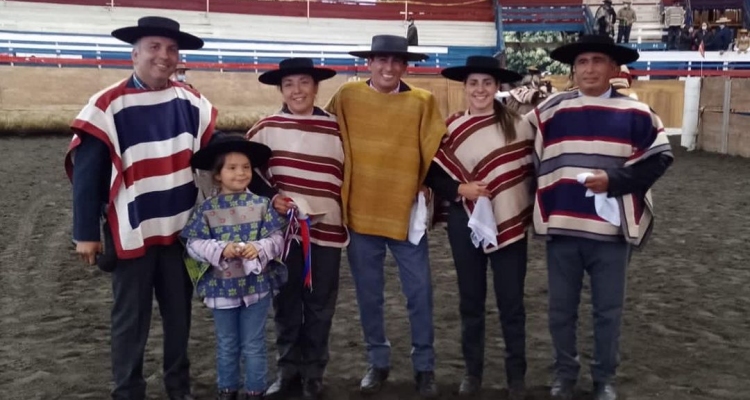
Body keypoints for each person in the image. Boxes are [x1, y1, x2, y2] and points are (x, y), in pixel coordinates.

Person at [63, 16, 216, 400]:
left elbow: (215, 157)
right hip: (132, 230)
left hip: (181, 231)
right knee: (130, 320)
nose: (163, 56)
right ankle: (128, 391)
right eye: (154, 47)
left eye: (171, 49)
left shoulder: (191, 101)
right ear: (134, 53)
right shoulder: (107, 105)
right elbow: (88, 174)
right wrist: (85, 234)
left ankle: (178, 387)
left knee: (179, 317)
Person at [526, 35, 673, 400]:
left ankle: (604, 378)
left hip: (610, 231)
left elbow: (661, 158)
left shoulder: (636, 112)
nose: (589, 68)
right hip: (563, 226)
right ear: (573, 69)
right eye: (582, 62)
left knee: (608, 311)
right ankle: (564, 374)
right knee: (561, 310)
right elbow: (519, 149)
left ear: (613, 68)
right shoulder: (550, 110)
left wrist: (615, 180)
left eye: (597, 61)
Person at [324, 34, 446, 398]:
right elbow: (328, 135)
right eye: (381, 60)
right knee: (368, 295)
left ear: (406, 65)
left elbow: (436, 149)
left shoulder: (422, 102)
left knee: (420, 292)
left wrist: (426, 182)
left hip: (405, 213)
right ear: (369, 63)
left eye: (396, 61)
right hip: (361, 214)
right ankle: (378, 361)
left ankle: (424, 366)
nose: (389, 67)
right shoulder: (347, 97)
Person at [428, 55, 533, 400]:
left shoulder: (517, 125)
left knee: (511, 302)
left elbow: (529, 170)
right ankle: (472, 373)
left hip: (509, 218)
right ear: (465, 87)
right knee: (470, 301)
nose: (480, 89)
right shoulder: (451, 127)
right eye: (474, 83)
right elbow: (432, 170)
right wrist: (460, 189)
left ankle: (515, 376)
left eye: (487, 83)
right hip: (465, 221)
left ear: (497, 87)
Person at [245, 57, 347, 400]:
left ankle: (314, 372)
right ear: (281, 89)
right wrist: (273, 196)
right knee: (286, 301)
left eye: (304, 82)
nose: (297, 90)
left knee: (320, 303)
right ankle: (288, 370)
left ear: (316, 87)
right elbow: (248, 175)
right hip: (283, 235)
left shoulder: (337, 129)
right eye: (289, 84)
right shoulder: (264, 129)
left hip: (328, 229)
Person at [182, 134, 287, 400]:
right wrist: (220, 249)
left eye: (245, 167)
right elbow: (193, 245)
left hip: (257, 288)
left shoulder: (262, 205)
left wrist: (260, 248)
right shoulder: (206, 209)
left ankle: (255, 390)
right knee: (227, 343)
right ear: (217, 175)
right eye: (232, 167)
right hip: (221, 289)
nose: (240, 173)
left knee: (253, 343)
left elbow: (277, 240)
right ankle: (227, 390)